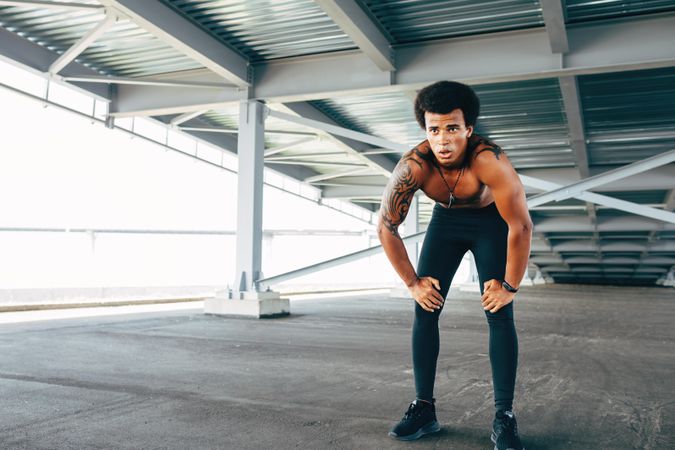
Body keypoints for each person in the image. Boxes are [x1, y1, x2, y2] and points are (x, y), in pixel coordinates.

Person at [376, 80, 532, 450]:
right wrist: (413, 282)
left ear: (468, 129)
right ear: (425, 130)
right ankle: (424, 409)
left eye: (451, 129)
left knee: (499, 313)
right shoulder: (414, 167)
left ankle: (504, 416)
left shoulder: (488, 161)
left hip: (490, 222)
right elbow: (386, 226)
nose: (443, 140)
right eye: (434, 130)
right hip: (445, 222)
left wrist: (509, 286)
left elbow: (520, 225)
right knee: (425, 308)